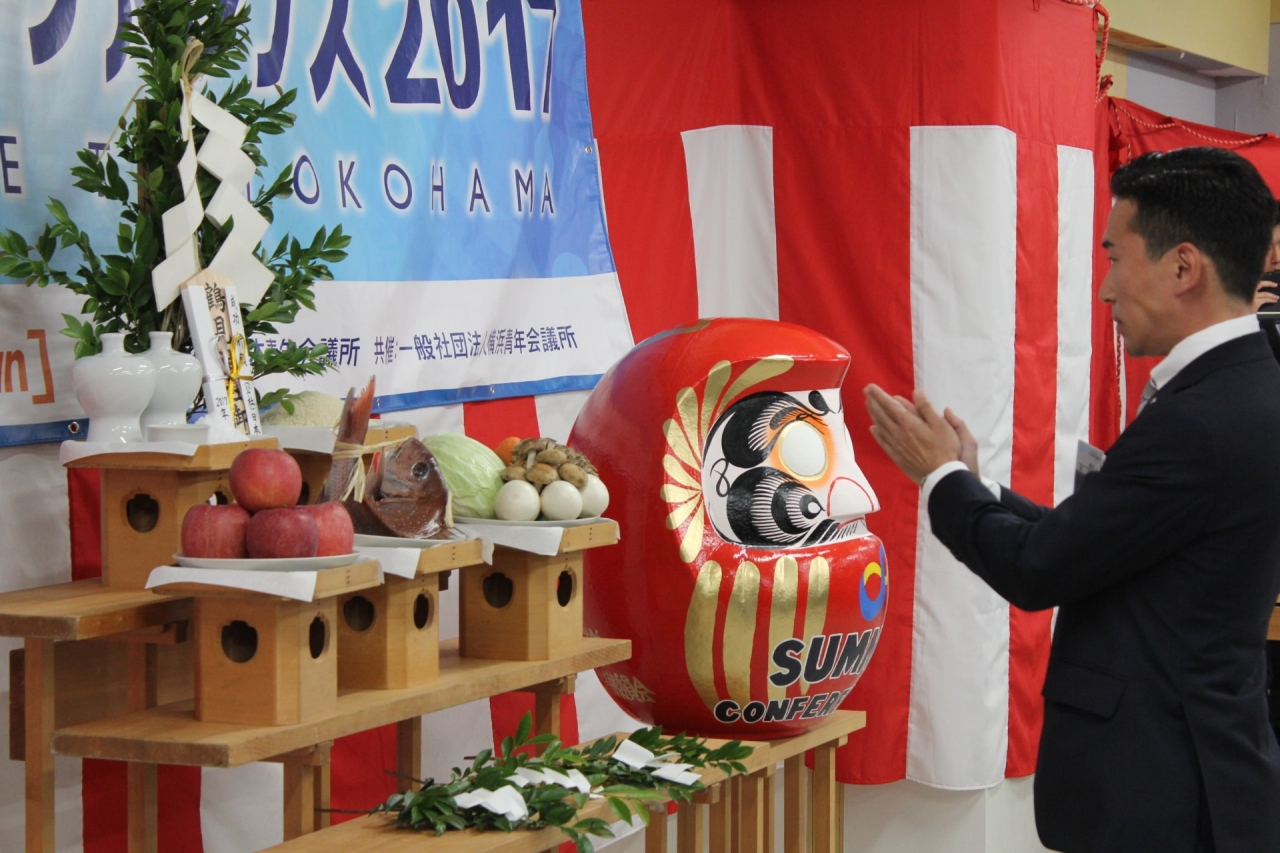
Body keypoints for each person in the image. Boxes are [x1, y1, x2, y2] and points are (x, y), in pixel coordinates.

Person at [864, 146, 1280, 853]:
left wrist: (939, 479)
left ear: (1184, 268)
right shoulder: (1245, 387)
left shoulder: (1200, 419)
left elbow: (1040, 567)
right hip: (1201, 772)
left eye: (1116, 258)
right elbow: (1100, 541)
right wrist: (973, 483)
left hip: (1164, 790)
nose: (1106, 289)